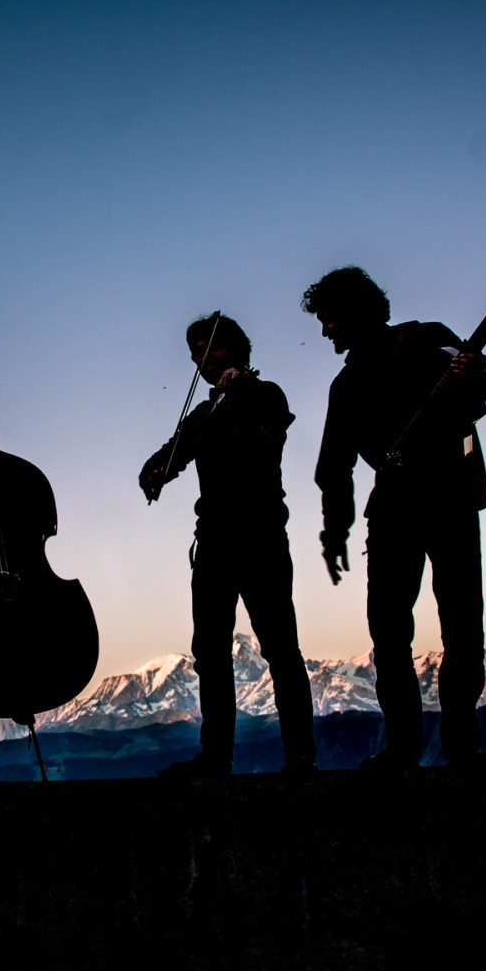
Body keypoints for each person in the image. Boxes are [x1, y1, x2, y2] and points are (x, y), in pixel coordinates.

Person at [304, 267, 486, 770]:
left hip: (452, 500)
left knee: (461, 627)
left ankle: (462, 747)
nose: (326, 332)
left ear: (358, 313)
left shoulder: (431, 341)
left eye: (331, 321)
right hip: (393, 511)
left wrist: (484, 379)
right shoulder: (347, 384)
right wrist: (336, 529)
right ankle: (403, 749)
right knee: (390, 634)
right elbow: (335, 466)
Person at [140, 313, 317, 776]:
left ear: (238, 350)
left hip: (261, 540)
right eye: (196, 354)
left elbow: (261, 442)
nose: (202, 360)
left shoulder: (265, 395)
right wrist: (155, 470)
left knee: (280, 649)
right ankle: (215, 756)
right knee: (210, 654)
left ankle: (300, 755)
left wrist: (239, 395)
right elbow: (173, 452)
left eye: (210, 350)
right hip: (213, 546)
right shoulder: (202, 414)